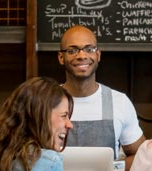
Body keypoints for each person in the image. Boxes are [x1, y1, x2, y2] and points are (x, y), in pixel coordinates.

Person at [58, 25, 145, 162]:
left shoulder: (119, 102)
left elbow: (140, 157)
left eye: (89, 49)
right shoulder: (46, 101)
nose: (81, 55)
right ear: (61, 57)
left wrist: (113, 170)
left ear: (97, 55)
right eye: (72, 50)